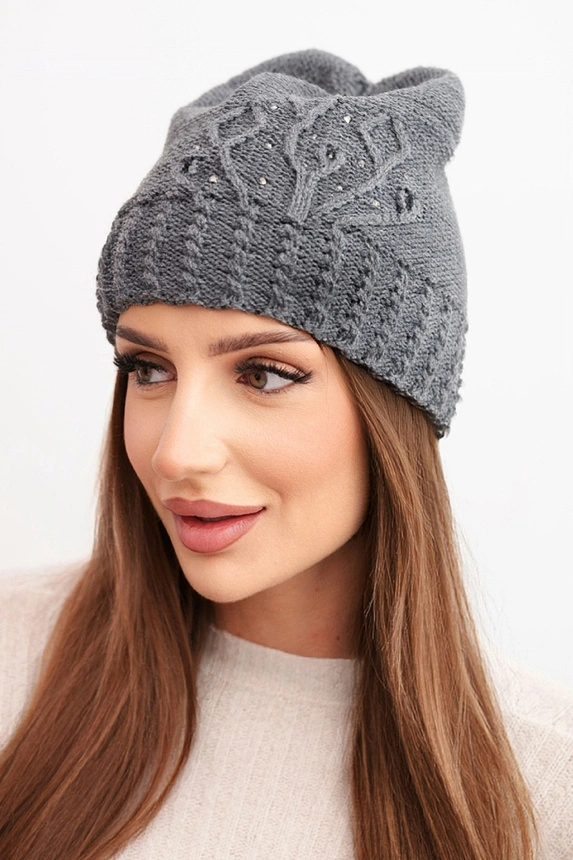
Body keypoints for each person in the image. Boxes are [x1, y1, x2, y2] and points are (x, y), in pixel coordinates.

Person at [0, 48, 571, 860]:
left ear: (393, 408)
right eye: (147, 369)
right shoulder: (15, 657)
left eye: (263, 374)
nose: (177, 453)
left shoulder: (543, 785)